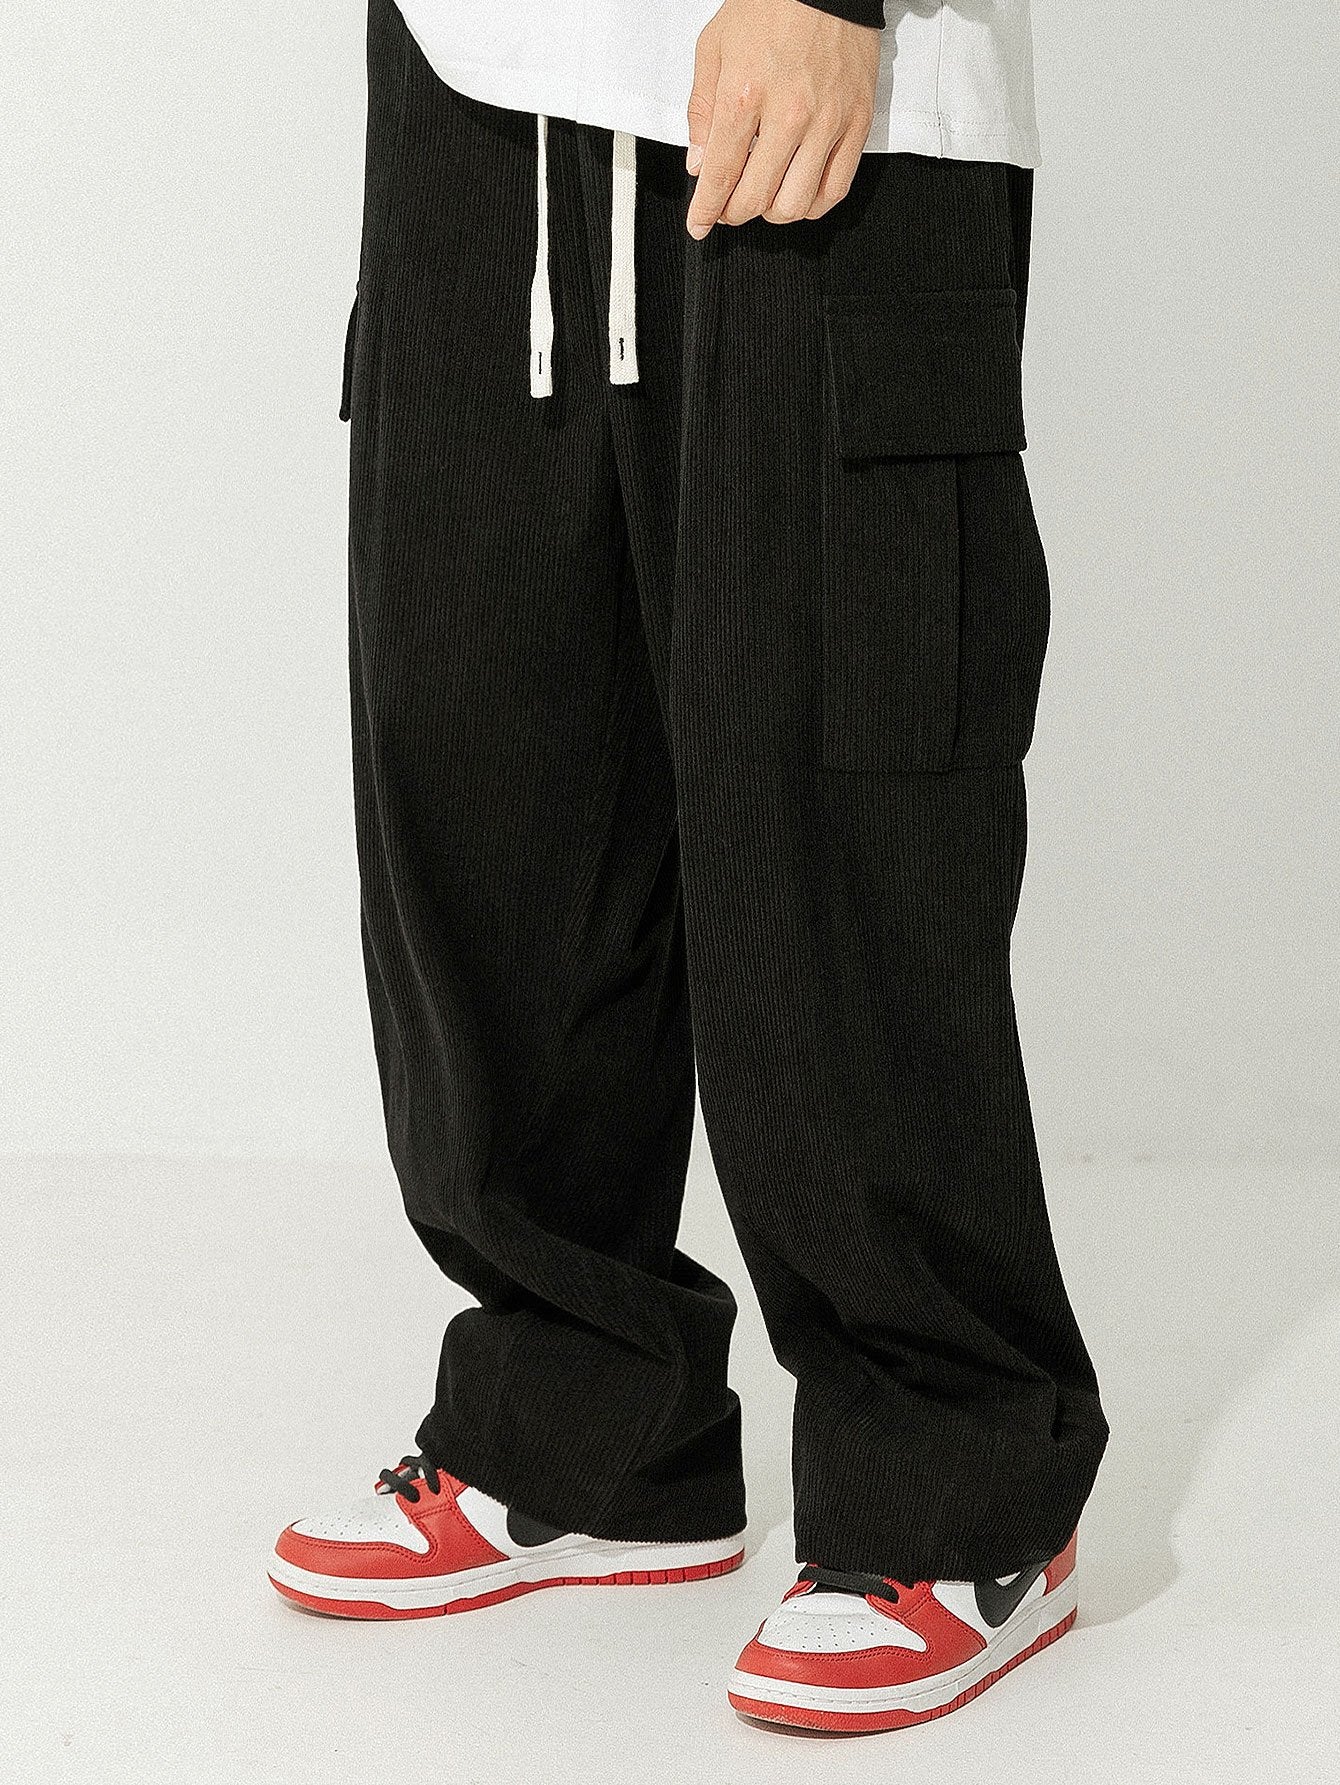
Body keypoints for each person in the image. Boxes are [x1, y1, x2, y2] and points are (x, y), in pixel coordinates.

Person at [268, 0, 1109, 1734]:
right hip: (478, 70)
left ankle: (956, 1480)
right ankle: (585, 1418)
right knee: (491, 768)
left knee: (831, 810)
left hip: (824, 73)